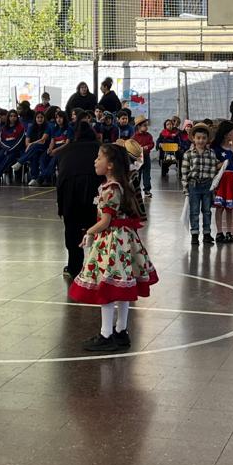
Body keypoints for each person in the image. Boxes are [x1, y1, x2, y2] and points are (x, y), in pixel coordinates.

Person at [69, 142, 157, 352]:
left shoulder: (111, 189)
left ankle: (106, 334)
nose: (95, 161)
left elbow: (106, 221)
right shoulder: (121, 184)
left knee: (106, 287)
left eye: (99, 158)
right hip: (124, 241)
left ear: (110, 165)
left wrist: (89, 232)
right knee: (122, 286)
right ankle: (121, 330)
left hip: (112, 242)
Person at [57, 121, 103, 278]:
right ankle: (99, 265)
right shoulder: (100, 148)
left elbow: (61, 179)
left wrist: (61, 206)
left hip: (71, 196)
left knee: (72, 231)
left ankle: (74, 267)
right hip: (95, 193)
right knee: (98, 229)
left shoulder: (67, 150)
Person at [210, 119, 233, 243]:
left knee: (229, 208)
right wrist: (221, 165)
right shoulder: (215, 148)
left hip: (232, 179)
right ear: (226, 133)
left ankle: (229, 232)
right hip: (221, 179)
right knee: (219, 207)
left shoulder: (232, 147)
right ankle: (219, 232)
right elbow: (213, 166)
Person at [181, 123, 218, 246]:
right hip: (194, 186)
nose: (201, 140)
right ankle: (194, 234)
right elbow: (184, 172)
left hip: (207, 186)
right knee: (194, 211)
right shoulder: (188, 154)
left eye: (203, 138)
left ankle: (207, 234)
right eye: (198, 138)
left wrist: (213, 186)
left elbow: (214, 168)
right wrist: (186, 189)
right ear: (193, 138)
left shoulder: (211, 153)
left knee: (207, 211)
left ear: (207, 139)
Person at [0, 109, 26, 183]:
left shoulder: (21, 128)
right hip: (5, 149)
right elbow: (1, 141)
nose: (13, 118)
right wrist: (7, 149)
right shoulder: (4, 128)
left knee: (8, 158)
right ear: (8, 117)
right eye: (11, 116)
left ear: (17, 117)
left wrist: (10, 149)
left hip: (16, 150)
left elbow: (19, 142)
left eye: (14, 116)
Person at [18, 110, 50, 184]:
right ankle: (34, 178)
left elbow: (42, 140)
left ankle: (20, 161)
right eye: (38, 117)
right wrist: (30, 145)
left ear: (44, 118)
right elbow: (27, 142)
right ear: (35, 118)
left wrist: (31, 144)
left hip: (45, 148)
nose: (40, 119)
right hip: (34, 150)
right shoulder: (31, 127)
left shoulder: (47, 126)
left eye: (41, 117)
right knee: (34, 155)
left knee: (35, 146)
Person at [133, 117, 154, 197]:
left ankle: (147, 190)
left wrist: (147, 147)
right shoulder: (134, 137)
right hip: (138, 158)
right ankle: (136, 190)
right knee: (137, 174)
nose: (146, 127)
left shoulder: (149, 135)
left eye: (147, 125)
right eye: (144, 125)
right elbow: (131, 145)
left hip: (146, 156)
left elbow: (152, 144)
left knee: (147, 174)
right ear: (139, 126)